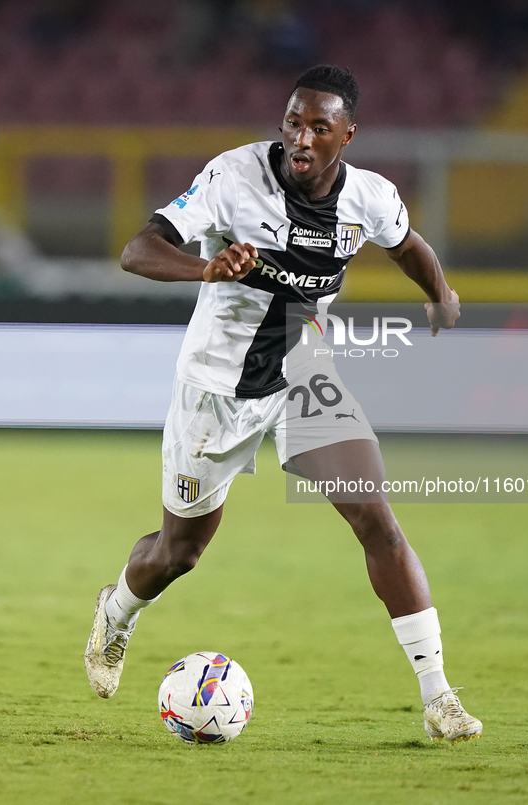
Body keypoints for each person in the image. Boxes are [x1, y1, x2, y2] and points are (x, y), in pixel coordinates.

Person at [85, 64, 482, 745]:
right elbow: (137, 249)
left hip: (303, 372)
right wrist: (203, 266)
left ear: (346, 136)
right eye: (293, 123)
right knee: (178, 553)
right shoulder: (232, 180)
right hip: (216, 388)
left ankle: (437, 695)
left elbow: (407, 245)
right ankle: (116, 612)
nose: (301, 138)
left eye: (318, 128)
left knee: (376, 520)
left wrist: (439, 293)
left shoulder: (369, 196)